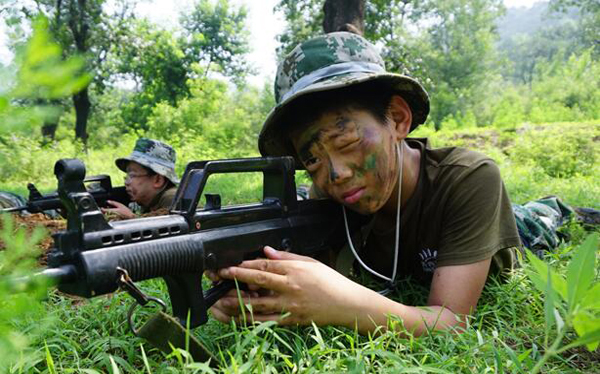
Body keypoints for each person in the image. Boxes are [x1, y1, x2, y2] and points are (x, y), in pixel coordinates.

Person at [207, 31, 522, 336]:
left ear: (398, 118)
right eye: (312, 160)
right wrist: (257, 285)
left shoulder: (468, 178)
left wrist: (340, 305)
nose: (337, 174)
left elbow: (451, 322)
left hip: (518, 228)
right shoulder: (326, 200)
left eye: (346, 143)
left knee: (539, 217)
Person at [103, 138, 179, 219]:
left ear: (158, 180)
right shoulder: (148, 201)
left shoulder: (172, 198)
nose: (126, 182)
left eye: (132, 175)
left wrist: (131, 217)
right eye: (127, 176)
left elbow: (173, 224)